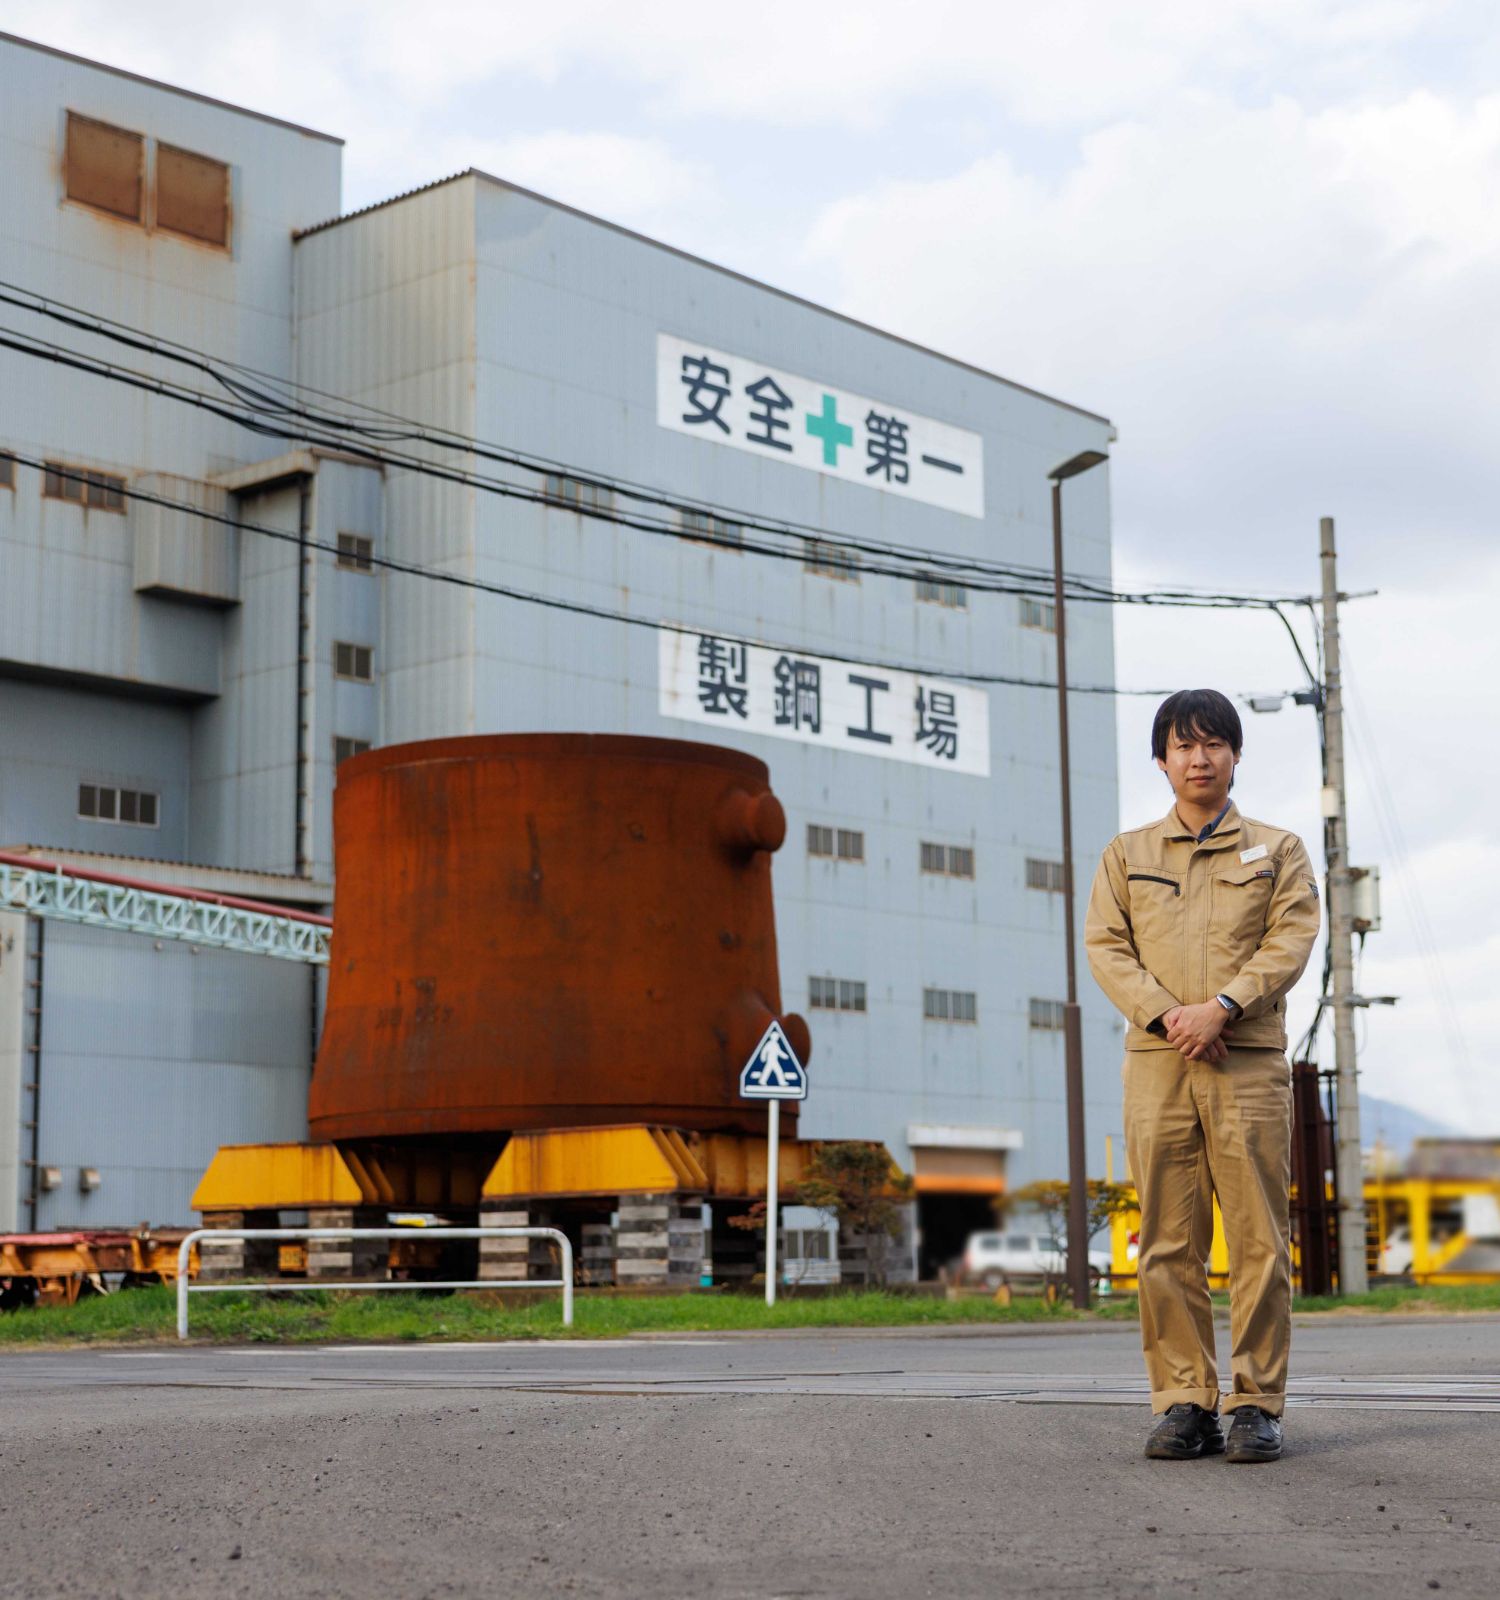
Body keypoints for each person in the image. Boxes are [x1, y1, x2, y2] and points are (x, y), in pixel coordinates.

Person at [1085, 688, 1320, 1464]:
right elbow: (1106, 947)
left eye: (1214, 743)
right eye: (1183, 745)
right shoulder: (1128, 855)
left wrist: (1223, 1006)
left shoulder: (1279, 851)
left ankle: (1256, 1403)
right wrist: (1169, 1018)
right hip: (1160, 1065)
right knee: (1167, 1241)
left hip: (1245, 1062)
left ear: (1236, 755)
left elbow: (1291, 939)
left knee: (1258, 1238)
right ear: (1161, 759)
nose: (1199, 758)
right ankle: (1184, 1400)